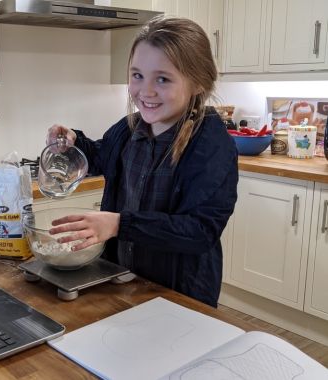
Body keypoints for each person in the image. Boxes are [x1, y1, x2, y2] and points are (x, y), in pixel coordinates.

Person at [46, 16, 238, 308]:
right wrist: (74, 141)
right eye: (137, 75)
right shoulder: (129, 128)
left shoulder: (211, 145)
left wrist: (120, 225)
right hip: (125, 280)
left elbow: (199, 231)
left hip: (181, 294)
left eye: (162, 79)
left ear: (198, 82)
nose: (145, 91)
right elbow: (101, 156)